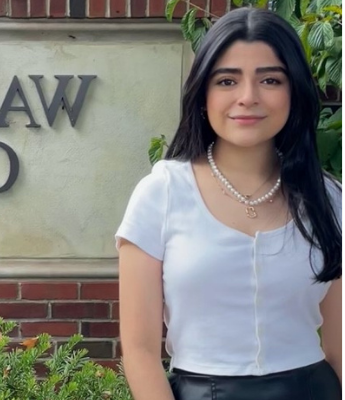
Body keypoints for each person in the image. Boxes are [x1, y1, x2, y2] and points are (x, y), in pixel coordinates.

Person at [115, 7, 342, 400]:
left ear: (295, 92)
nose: (248, 97)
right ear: (203, 93)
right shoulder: (162, 193)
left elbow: (340, 348)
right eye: (227, 80)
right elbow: (140, 351)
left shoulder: (328, 199)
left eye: (270, 79)